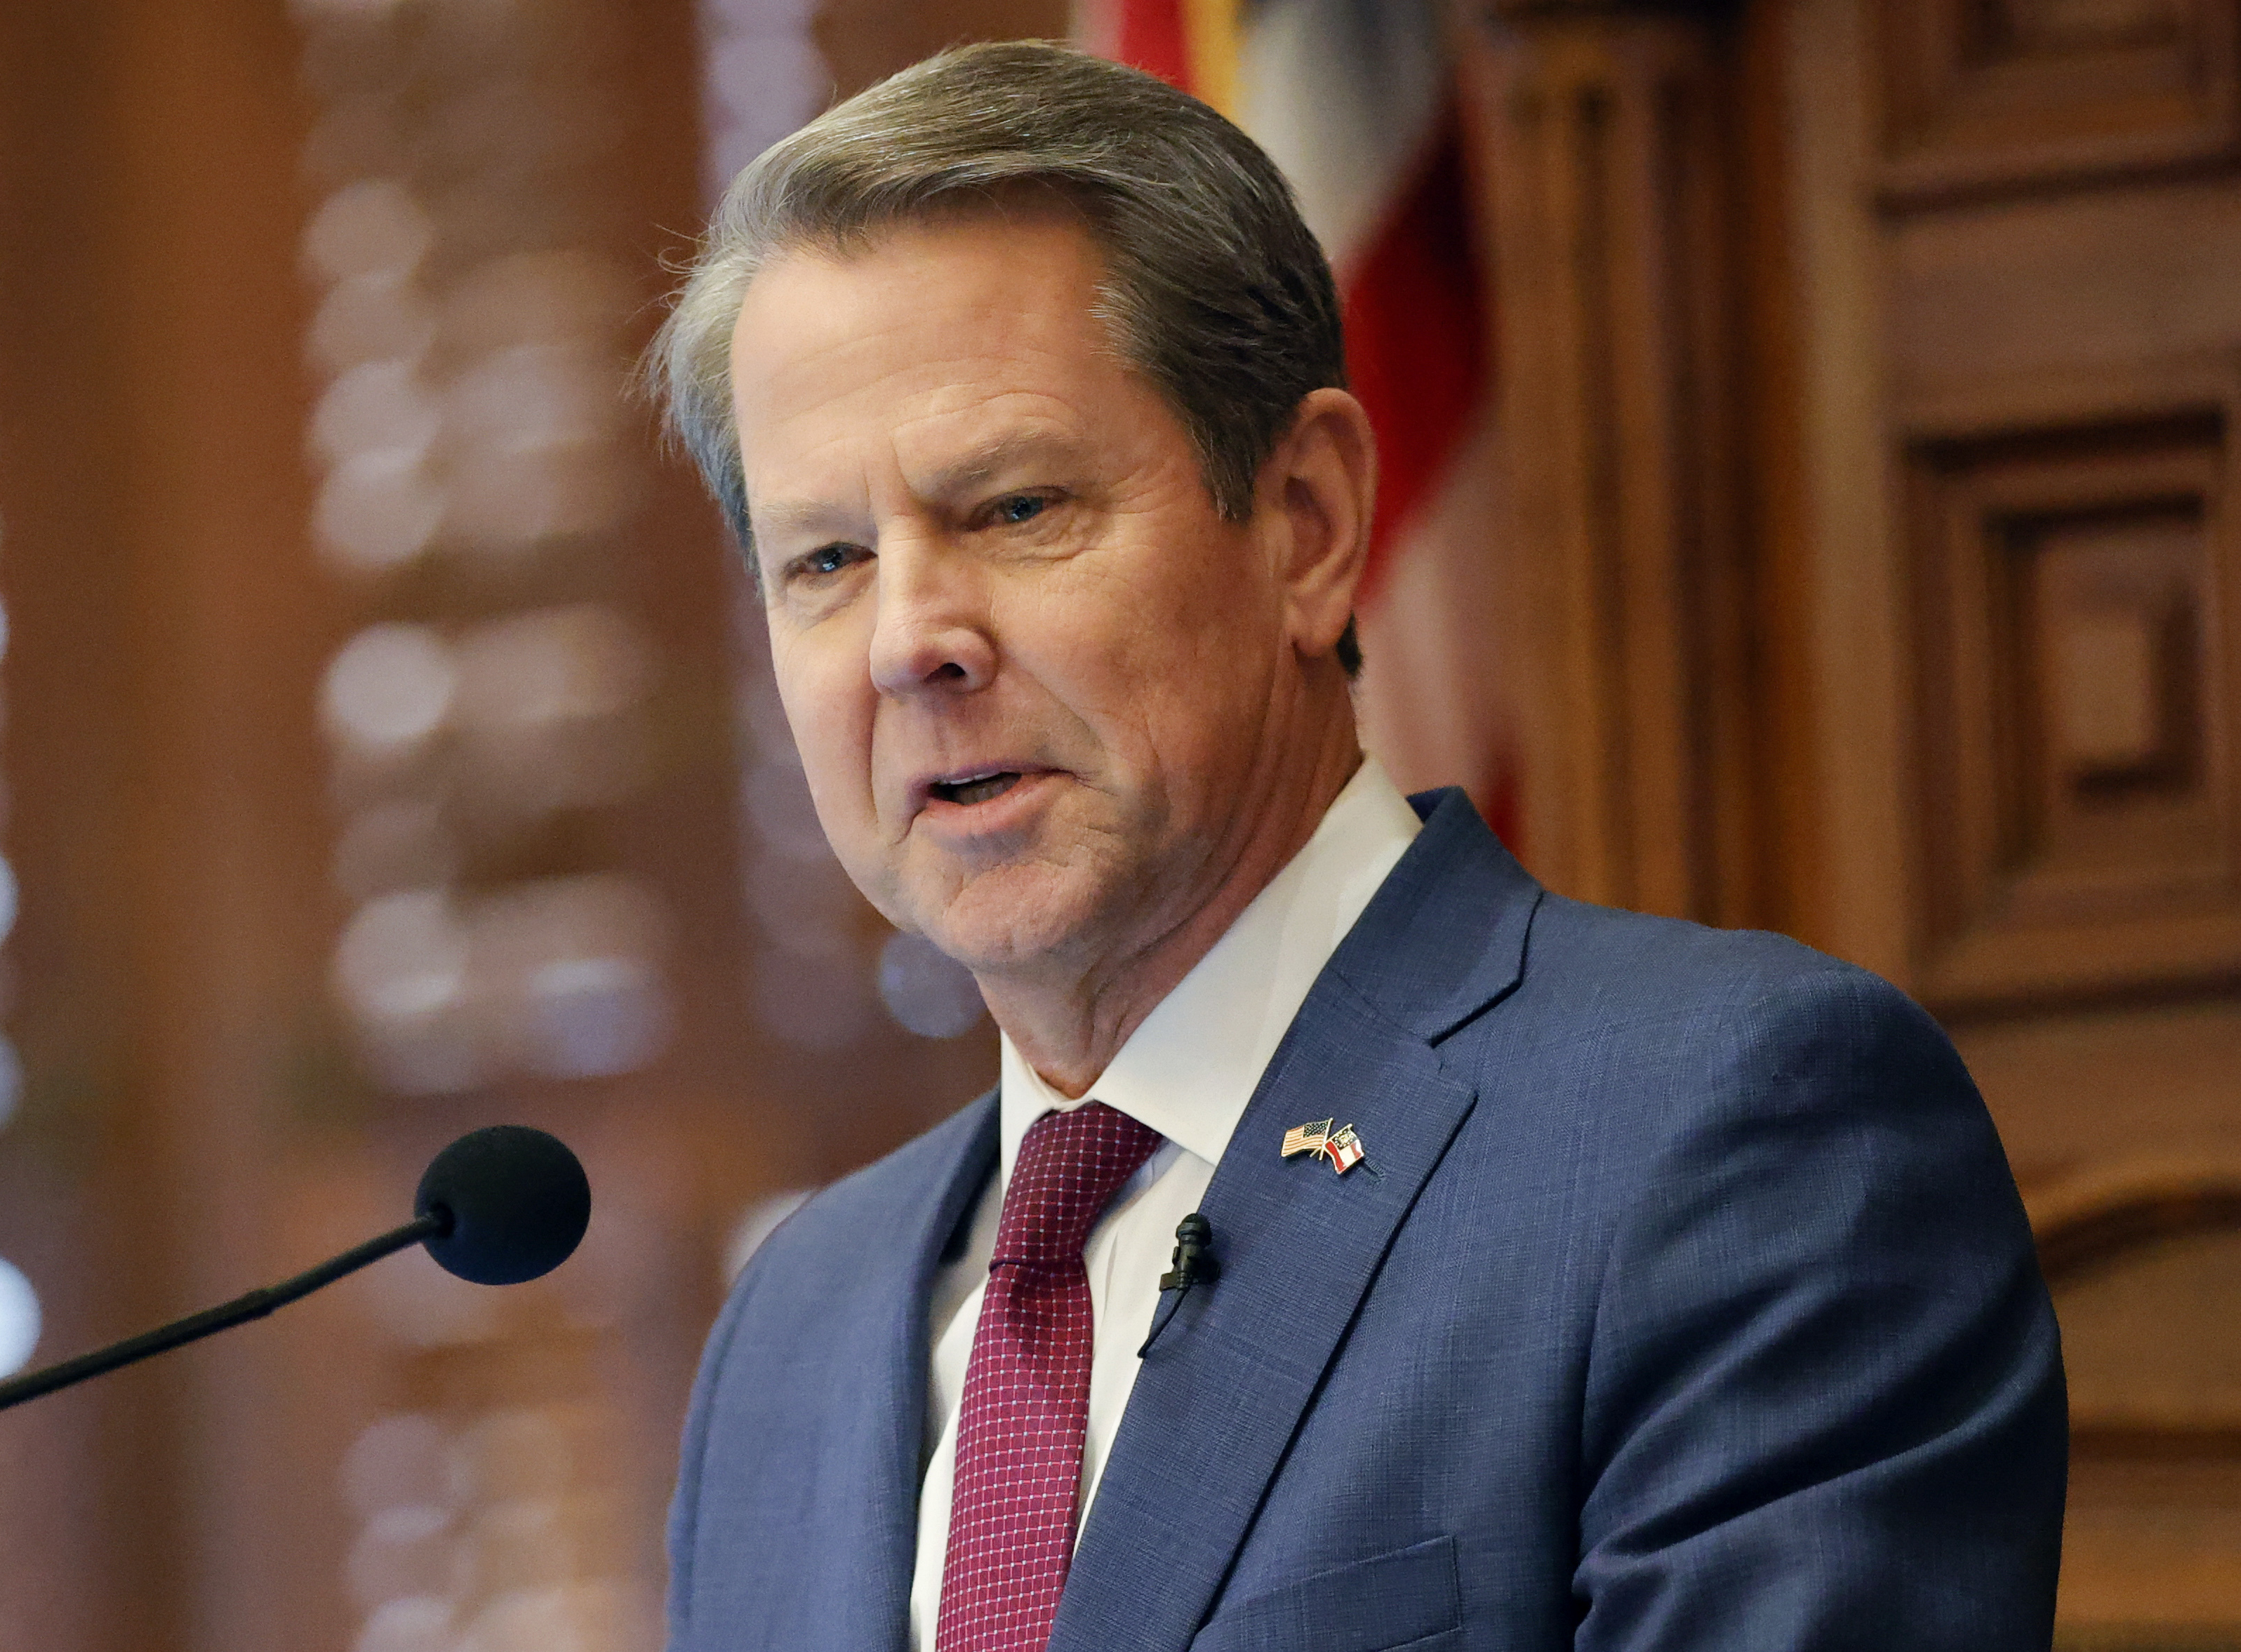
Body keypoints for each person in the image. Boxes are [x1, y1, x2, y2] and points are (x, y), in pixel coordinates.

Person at [646, 39, 2065, 1652]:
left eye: (1015, 508)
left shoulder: (1732, 1141)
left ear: (1307, 524)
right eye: (822, 558)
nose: (911, 639)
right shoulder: (792, 1330)